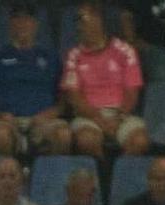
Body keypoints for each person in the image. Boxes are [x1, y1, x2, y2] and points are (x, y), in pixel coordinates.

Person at [0, 3, 67, 157]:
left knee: (62, 134)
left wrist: (49, 114)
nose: (23, 24)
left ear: (36, 24)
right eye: (17, 20)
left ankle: (53, 179)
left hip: (41, 120)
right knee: (1, 136)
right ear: (10, 25)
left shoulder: (51, 58)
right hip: (4, 120)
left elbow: (63, 101)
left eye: (28, 20)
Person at [60, 1, 147, 160]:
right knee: (87, 140)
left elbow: (132, 93)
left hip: (120, 114)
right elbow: (74, 97)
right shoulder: (73, 55)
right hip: (88, 115)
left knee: (140, 141)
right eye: (77, 21)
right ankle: (101, 176)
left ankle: (118, 178)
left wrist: (118, 118)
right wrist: (98, 118)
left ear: (97, 19)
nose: (78, 26)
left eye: (82, 19)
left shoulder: (125, 51)